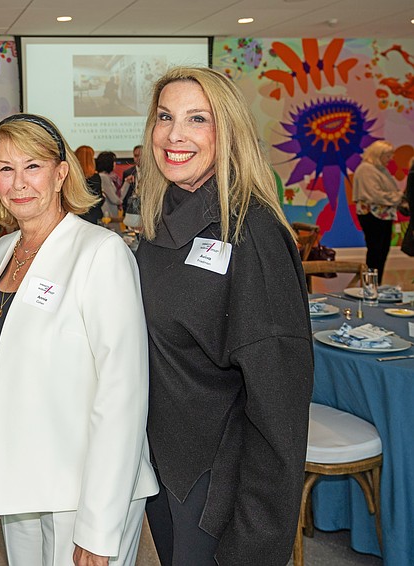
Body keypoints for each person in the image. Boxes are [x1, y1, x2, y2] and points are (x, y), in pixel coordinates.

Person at [135, 67, 313, 566]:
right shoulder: (159, 223)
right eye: (165, 117)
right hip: (162, 466)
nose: (175, 135)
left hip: (217, 483)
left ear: (228, 131)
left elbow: (279, 406)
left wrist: (257, 540)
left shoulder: (252, 232)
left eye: (198, 119)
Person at [0, 113, 158, 566]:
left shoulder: (100, 253)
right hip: (21, 481)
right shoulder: (2, 252)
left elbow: (122, 395)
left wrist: (98, 525)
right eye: (6, 168)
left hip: (85, 491)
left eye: (33, 166)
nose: (19, 182)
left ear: (60, 174)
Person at [353, 140, 402, 283]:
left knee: (382, 250)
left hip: (383, 215)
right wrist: (398, 197)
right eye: (388, 155)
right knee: (375, 250)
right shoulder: (366, 169)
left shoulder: (380, 169)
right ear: (378, 154)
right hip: (373, 215)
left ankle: (376, 282)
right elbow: (374, 195)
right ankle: (371, 283)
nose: (390, 159)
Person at [74, 145, 103, 224]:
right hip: (92, 217)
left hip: (75, 216)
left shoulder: (71, 177)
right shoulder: (95, 177)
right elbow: (97, 200)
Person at [96, 151, 124, 218]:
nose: (115, 164)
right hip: (108, 214)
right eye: (113, 161)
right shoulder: (104, 177)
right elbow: (115, 199)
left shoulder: (107, 177)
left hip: (110, 213)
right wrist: (120, 201)